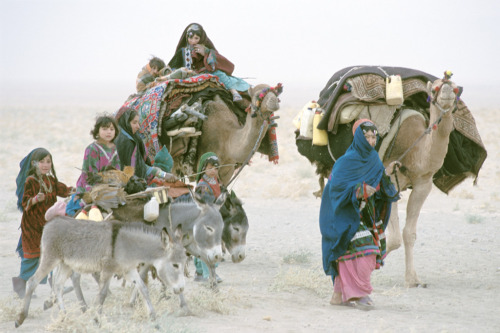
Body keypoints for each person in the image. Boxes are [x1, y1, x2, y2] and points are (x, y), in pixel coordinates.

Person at [319, 119, 401, 309]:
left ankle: (339, 295)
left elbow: (378, 187)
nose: (371, 141)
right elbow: (336, 190)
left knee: (356, 250)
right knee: (365, 251)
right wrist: (359, 190)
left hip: (363, 215)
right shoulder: (345, 162)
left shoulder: (374, 160)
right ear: (358, 139)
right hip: (340, 214)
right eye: (367, 137)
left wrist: (386, 174)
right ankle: (358, 294)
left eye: (374, 137)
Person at [13, 148, 73, 298]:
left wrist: (77, 190)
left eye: (48, 161)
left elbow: (64, 190)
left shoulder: (51, 180)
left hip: (47, 225)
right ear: (34, 164)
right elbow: (24, 202)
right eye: (42, 161)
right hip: (32, 226)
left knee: (52, 255)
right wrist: (35, 200)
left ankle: (56, 286)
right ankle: (20, 284)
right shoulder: (31, 181)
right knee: (32, 258)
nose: (46, 165)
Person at [168, 23, 250, 102]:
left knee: (219, 74)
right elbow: (172, 66)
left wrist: (206, 53)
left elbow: (217, 61)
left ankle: (234, 91)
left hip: (206, 72)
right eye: (190, 38)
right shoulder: (182, 51)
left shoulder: (206, 47)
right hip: (189, 75)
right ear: (186, 37)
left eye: (196, 38)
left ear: (201, 38)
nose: (193, 41)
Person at [66, 114, 121, 216]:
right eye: (104, 129)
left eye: (111, 129)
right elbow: (90, 175)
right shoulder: (92, 149)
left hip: (108, 186)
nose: (109, 132)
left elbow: (117, 171)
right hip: (91, 185)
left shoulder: (114, 149)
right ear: (97, 131)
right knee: (78, 209)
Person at [115, 107, 177, 183]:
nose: (138, 126)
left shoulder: (131, 137)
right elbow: (137, 167)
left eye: (138, 122)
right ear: (126, 123)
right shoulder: (125, 141)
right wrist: (163, 175)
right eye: (134, 123)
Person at [193, 152, 223, 283]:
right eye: (210, 168)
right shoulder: (202, 186)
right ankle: (208, 275)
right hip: (204, 221)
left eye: (216, 168)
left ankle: (199, 272)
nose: (213, 171)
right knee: (206, 248)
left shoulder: (215, 182)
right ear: (204, 168)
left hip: (212, 220)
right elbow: (206, 204)